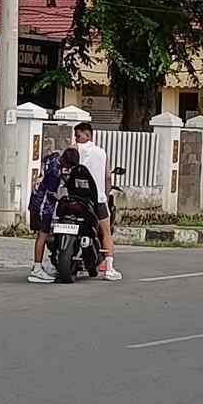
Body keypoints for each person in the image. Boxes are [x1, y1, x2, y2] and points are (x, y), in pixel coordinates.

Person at [66, 118, 120, 282]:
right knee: (106, 233)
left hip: (76, 199)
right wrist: (105, 192)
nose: (76, 139)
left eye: (78, 135)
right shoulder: (101, 152)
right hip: (98, 201)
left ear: (87, 135)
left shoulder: (74, 149)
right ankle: (109, 269)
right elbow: (108, 176)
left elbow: (66, 166)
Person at [26, 146, 66, 283]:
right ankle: (37, 269)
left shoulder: (52, 159)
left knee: (45, 235)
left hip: (35, 200)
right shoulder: (55, 172)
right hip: (43, 206)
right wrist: (60, 199)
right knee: (42, 236)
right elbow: (52, 192)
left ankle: (41, 265)